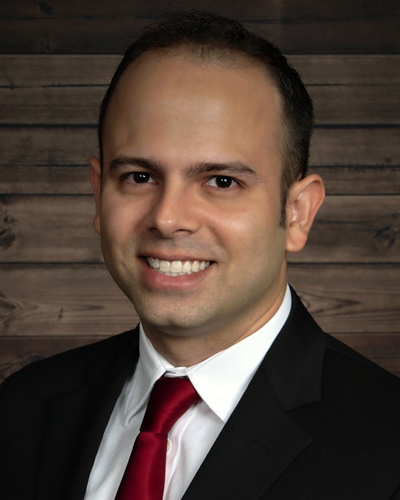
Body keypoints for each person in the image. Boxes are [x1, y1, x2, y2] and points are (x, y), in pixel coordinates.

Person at [1, 10, 400, 500]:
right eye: (139, 177)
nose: (168, 219)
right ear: (98, 194)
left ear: (296, 213)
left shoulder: (387, 443)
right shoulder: (23, 408)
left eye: (221, 181)